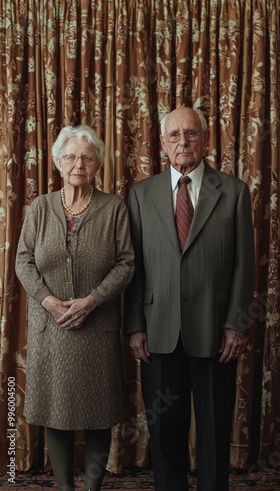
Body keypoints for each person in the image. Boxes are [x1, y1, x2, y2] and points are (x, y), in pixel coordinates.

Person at [124, 107, 255, 491]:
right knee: (164, 431)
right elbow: (134, 268)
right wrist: (134, 326)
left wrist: (237, 323)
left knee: (214, 427)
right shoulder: (141, 194)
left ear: (205, 139)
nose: (184, 142)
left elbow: (244, 266)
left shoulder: (233, 191)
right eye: (175, 135)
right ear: (163, 143)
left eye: (192, 134)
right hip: (158, 331)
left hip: (216, 333)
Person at [16, 125, 135, 491]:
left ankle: (93, 488)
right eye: (70, 156)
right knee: (56, 411)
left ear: (98, 162)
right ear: (57, 163)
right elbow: (23, 260)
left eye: (86, 156)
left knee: (99, 414)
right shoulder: (40, 207)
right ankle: (66, 488)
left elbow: (126, 263)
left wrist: (93, 299)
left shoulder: (114, 207)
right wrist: (49, 301)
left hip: (96, 326)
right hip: (50, 328)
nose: (78, 164)